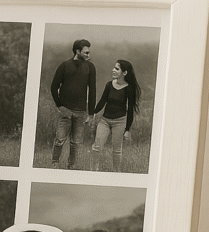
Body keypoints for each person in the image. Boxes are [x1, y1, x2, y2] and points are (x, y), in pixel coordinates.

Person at [50, 39, 96, 170]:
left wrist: (91, 114)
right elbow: (54, 87)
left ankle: (71, 166)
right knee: (59, 140)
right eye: (86, 52)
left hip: (81, 112)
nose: (89, 55)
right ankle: (54, 163)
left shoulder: (90, 67)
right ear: (78, 51)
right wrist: (60, 106)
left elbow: (92, 90)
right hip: (65, 111)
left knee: (76, 143)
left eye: (89, 52)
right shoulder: (64, 66)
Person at [91, 59, 141, 172]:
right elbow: (102, 102)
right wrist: (92, 113)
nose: (113, 70)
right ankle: (93, 171)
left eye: (117, 68)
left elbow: (131, 110)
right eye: (114, 67)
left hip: (120, 122)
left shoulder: (129, 89)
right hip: (104, 121)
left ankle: (116, 172)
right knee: (96, 148)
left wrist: (127, 129)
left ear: (124, 73)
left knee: (117, 150)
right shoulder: (109, 85)